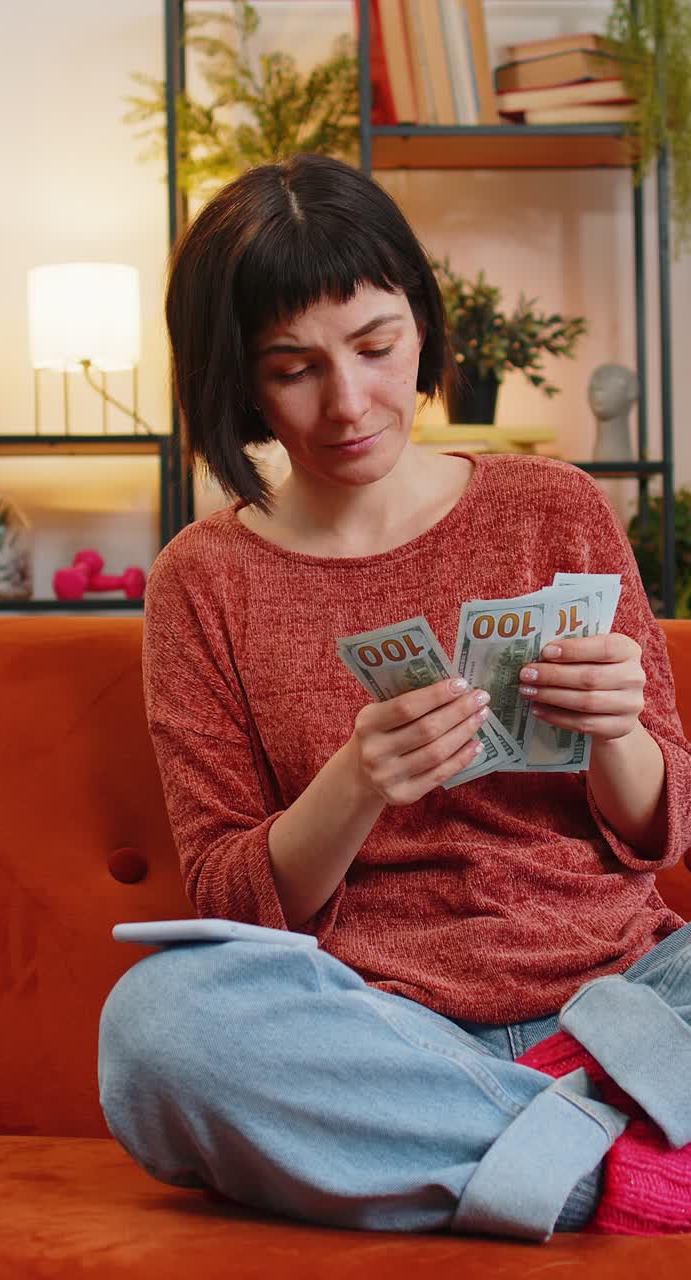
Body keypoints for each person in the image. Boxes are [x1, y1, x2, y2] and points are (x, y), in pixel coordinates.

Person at [98, 153, 691, 1242]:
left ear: (421, 321)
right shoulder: (203, 578)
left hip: (627, 991)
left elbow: (661, 832)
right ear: (237, 380)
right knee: (156, 1025)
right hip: (381, 1027)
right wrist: (354, 785)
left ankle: (522, 1141)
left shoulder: (552, 504)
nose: (351, 400)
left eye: (375, 345)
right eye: (294, 368)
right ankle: (626, 1165)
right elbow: (231, 902)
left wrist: (619, 733)